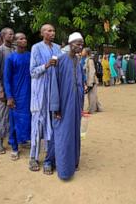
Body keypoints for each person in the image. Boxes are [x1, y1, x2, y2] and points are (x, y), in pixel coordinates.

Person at [50, 32, 85, 180]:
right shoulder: (60, 60)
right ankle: (64, 170)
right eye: (78, 43)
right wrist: (56, 107)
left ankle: (74, 163)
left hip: (76, 104)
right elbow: (54, 85)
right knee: (64, 135)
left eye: (82, 44)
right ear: (70, 44)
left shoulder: (78, 60)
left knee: (75, 133)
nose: (80, 46)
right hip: (63, 105)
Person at [29, 24, 62, 173]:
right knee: (38, 123)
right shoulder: (36, 48)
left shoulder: (57, 48)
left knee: (52, 124)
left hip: (53, 92)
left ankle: (50, 158)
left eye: (53, 30)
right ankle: (33, 157)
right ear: (42, 33)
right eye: (49, 30)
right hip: (40, 92)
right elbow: (32, 72)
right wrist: (46, 65)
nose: (52, 32)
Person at [4, 33, 31, 161]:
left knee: (28, 119)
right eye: (21, 38)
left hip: (30, 94)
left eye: (24, 38)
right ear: (15, 42)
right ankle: (15, 147)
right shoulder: (11, 58)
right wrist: (9, 97)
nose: (24, 40)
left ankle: (25, 140)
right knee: (14, 121)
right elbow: (7, 79)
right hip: (16, 95)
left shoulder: (30, 55)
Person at [0, 27, 14, 154]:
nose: (12, 36)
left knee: (13, 115)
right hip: (2, 89)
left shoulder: (14, 49)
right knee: (1, 116)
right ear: (3, 36)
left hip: (13, 88)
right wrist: (0, 90)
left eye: (13, 34)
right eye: (10, 34)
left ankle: (13, 139)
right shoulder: (0, 51)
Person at [84, 48, 103, 114]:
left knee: (91, 95)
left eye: (83, 51)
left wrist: (91, 82)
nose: (82, 52)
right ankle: (99, 108)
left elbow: (92, 71)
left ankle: (92, 110)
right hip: (91, 80)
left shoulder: (90, 60)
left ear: (86, 52)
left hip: (92, 80)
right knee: (94, 94)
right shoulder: (87, 60)